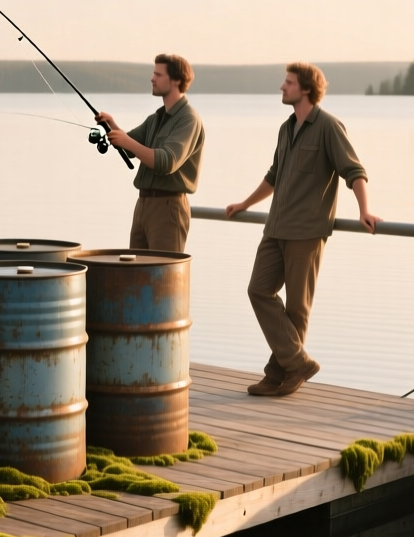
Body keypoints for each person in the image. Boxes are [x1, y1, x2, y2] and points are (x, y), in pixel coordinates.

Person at [224, 62, 379, 396]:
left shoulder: (328, 127)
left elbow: (354, 171)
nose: (282, 87)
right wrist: (245, 204)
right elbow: (273, 176)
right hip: (275, 227)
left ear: (306, 89)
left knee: (297, 308)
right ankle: (298, 363)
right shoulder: (286, 128)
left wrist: (364, 210)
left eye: (288, 82)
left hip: (307, 232)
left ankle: (277, 374)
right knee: (258, 290)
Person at [96, 54, 204, 252]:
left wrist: (126, 141)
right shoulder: (155, 118)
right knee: (136, 275)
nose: (152, 79)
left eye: (158, 74)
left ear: (177, 80)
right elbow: (129, 148)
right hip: (143, 206)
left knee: (163, 278)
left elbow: (167, 162)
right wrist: (112, 126)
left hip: (168, 208)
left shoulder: (188, 119)